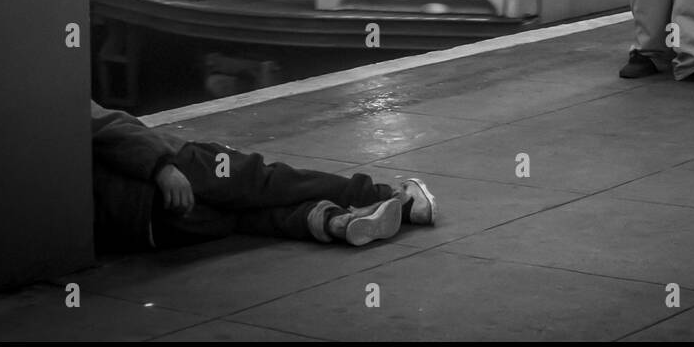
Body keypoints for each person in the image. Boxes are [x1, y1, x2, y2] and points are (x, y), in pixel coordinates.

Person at [90, 101, 436, 251]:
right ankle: (397, 199)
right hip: (165, 174)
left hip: (144, 230)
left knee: (246, 217)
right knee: (267, 182)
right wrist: (162, 166)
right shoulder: (48, 98)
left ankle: (335, 223)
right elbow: (108, 124)